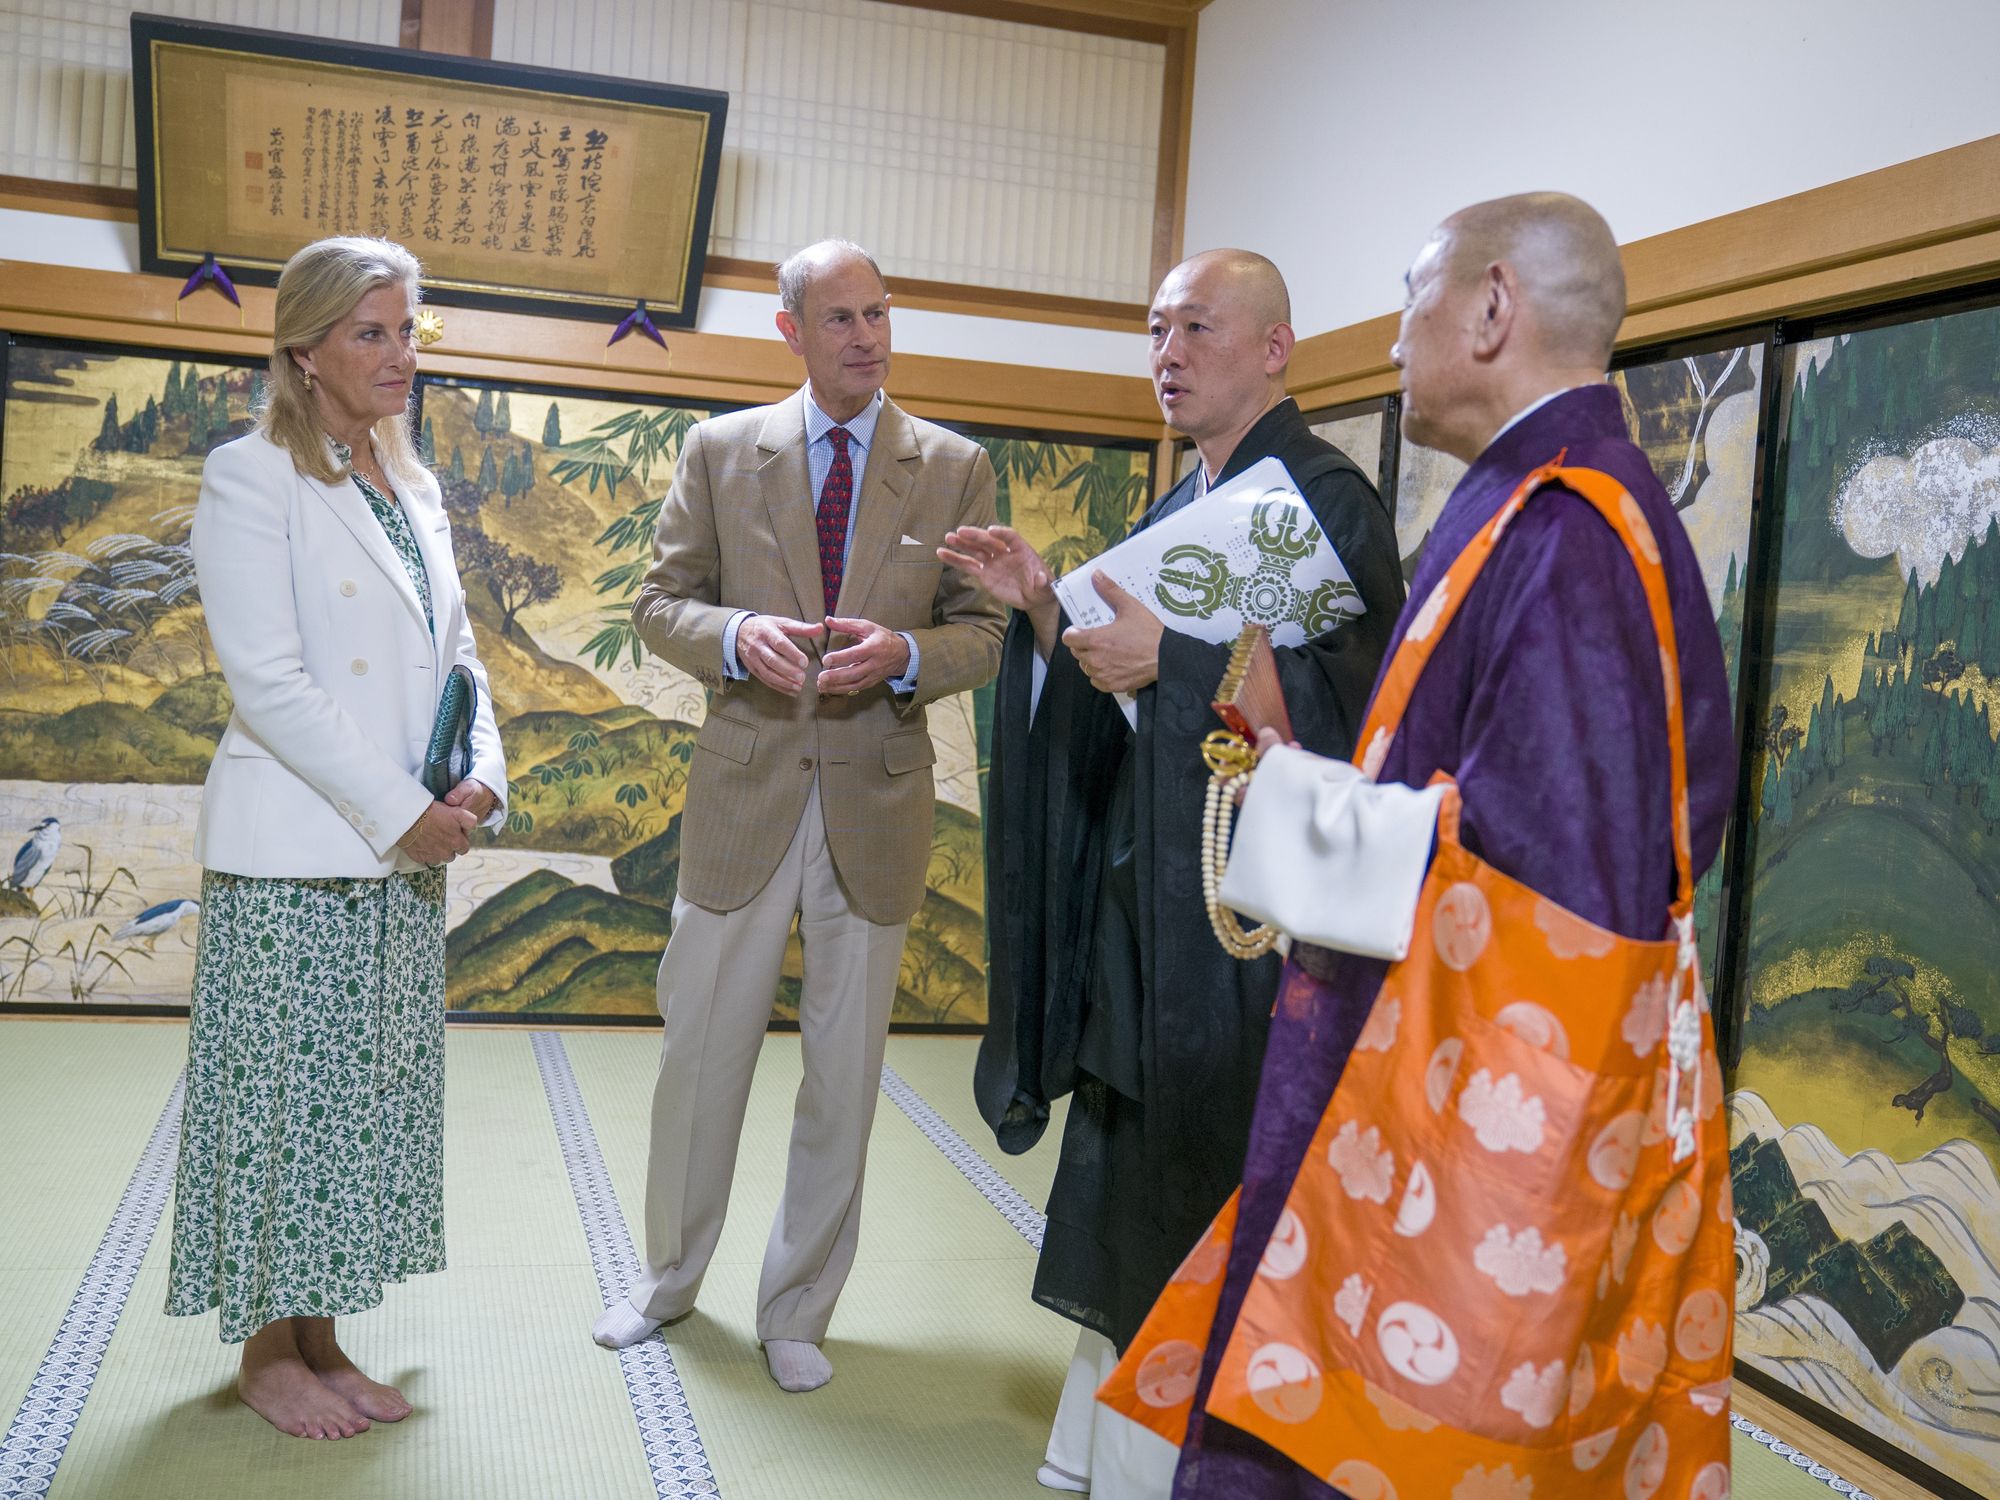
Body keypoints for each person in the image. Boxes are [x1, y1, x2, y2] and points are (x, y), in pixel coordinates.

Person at [1132, 193, 1738, 1497]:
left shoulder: (1572, 526)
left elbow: (1557, 886)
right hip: (1389, 1049)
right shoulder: (1525, 495)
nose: (1395, 341)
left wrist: (1290, 807)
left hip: (1459, 1109)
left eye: (1411, 297)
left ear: (1493, 308)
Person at [940, 250, 1404, 1493]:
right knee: (1132, 1166)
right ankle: (1119, 1445)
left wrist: (1181, 660)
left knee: (1221, 1185)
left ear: (1273, 349)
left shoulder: (1326, 503)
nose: (1165, 352)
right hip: (1147, 919)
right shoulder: (1180, 506)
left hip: (1252, 943)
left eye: (1195, 326)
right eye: (1154, 329)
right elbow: (1116, 684)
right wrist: (1046, 614)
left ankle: (1214, 1458)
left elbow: (1358, 717)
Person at [590, 240, 1006, 1393]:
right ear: (790, 330)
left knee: (845, 1068)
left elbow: (986, 628)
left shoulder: (954, 464)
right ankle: (667, 1284)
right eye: (839, 318)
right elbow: (654, 601)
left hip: (877, 796)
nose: (866, 336)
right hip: (744, 786)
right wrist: (734, 638)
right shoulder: (721, 450)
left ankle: (797, 1307)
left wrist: (911, 653)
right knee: (699, 1056)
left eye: (878, 314)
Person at [167, 236, 506, 1439]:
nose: (399, 355)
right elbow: (268, 682)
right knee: (285, 1106)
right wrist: (401, 810)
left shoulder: (410, 484)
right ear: (304, 351)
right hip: (302, 850)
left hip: (401, 854)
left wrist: (476, 785)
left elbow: (457, 658)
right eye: (372, 333)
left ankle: (322, 1336)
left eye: (408, 330)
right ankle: (268, 1352)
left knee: (357, 1106)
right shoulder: (251, 476)